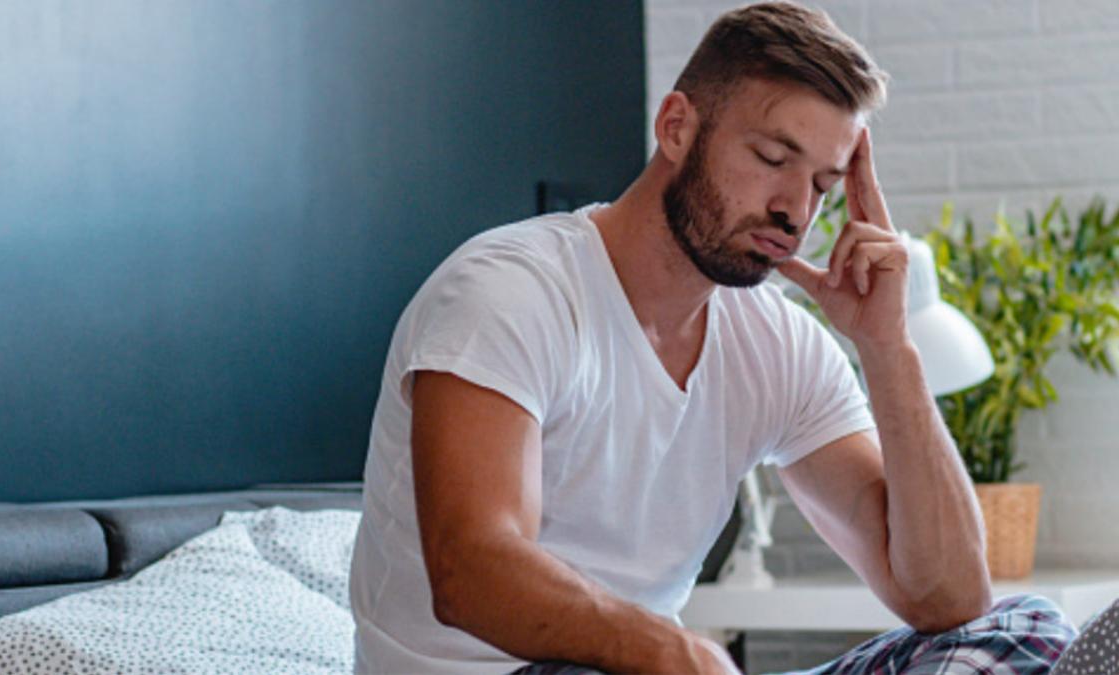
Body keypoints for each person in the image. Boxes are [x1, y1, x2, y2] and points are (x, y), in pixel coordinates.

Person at [348, 2, 1076, 673]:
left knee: (1024, 630)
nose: (796, 210)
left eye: (822, 183)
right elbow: (471, 568)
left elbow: (946, 597)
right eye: (772, 158)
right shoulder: (510, 291)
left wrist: (888, 351)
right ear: (676, 127)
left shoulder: (779, 343)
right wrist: (672, 649)